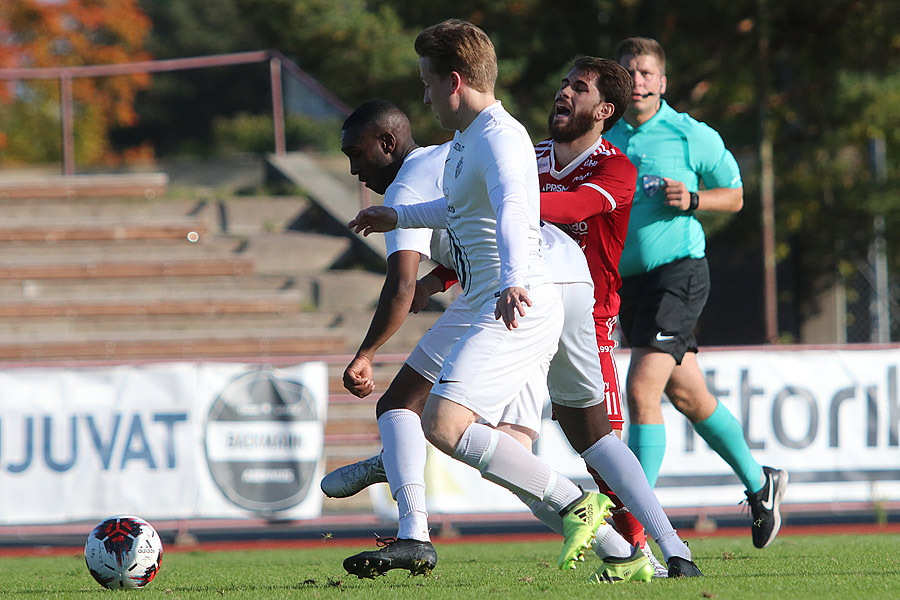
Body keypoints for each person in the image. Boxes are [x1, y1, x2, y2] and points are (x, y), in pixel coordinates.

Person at [328, 49, 701, 581]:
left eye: (429, 85)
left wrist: (368, 351)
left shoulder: (510, 149)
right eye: (566, 82)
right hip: (539, 278)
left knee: (443, 422)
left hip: (531, 288)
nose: (426, 97)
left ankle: (440, 518)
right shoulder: (480, 147)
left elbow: (483, 232)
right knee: (576, 436)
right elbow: (468, 223)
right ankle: (664, 551)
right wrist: (425, 241)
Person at [604, 37, 788, 549]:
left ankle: (635, 535)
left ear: (662, 82)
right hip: (632, 286)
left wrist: (695, 199)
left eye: (645, 73)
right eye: (628, 73)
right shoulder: (607, 139)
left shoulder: (689, 135)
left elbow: (737, 195)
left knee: (642, 391)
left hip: (680, 273)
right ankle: (760, 484)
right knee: (688, 395)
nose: (637, 82)